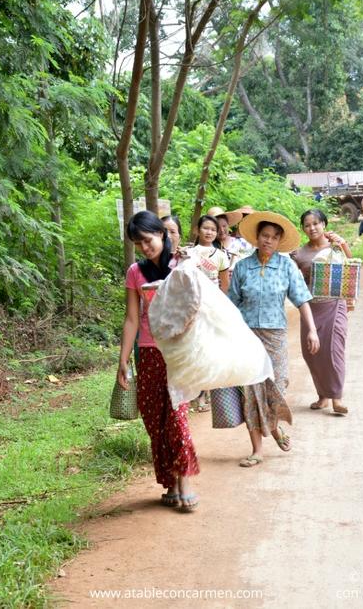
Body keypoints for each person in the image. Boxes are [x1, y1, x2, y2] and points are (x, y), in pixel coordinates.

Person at [116, 211, 199, 511]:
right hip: (148, 353)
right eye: (138, 243)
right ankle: (171, 482)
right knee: (154, 421)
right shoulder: (134, 273)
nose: (145, 247)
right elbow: (131, 319)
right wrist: (123, 360)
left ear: (162, 235)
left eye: (148, 240)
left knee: (176, 418)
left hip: (178, 352)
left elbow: (197, 308)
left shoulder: (182, 264)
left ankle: (186, 480)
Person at [228, 211, 320, 467]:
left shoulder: (287, 266)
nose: (268, 241)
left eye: (273, 237)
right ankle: (257, 449)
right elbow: (231, 304)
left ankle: (275, 427)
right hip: (246, 337)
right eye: (264, 236)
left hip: (275, 334)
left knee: (276, 387)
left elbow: (301, 300)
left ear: (279, 241)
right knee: (251, 392)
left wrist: (312, 330)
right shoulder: (243, 267)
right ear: (256, 238)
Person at [291, 209, 351, 415]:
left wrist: (342, 244)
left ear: (324, 224)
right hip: (310, 308)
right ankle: (323, 395)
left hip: (334, 304)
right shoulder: (299, 253)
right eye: (307, 225)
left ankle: (337, 398)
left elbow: (350, 267)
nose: (312, 228)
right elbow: (294, 279)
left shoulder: (335, 245)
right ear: (303, 229)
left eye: (316, 223)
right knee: (313, 353)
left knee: (334, 351)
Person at [188, 215, 230, 412]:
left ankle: (206, 392)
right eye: (205, 228)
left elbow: (225, 285)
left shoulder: (221, 256)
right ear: (198, 229)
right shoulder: (189, 253)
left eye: (213, 229)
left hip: (212, 309)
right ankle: (197, 393)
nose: (209, 232)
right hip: (193, 308)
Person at [207, 206, 243, 272]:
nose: (222, 230)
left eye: (224, 226)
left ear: (228, 225)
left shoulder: (240, 242)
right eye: (218, 227)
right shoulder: (208, 246)